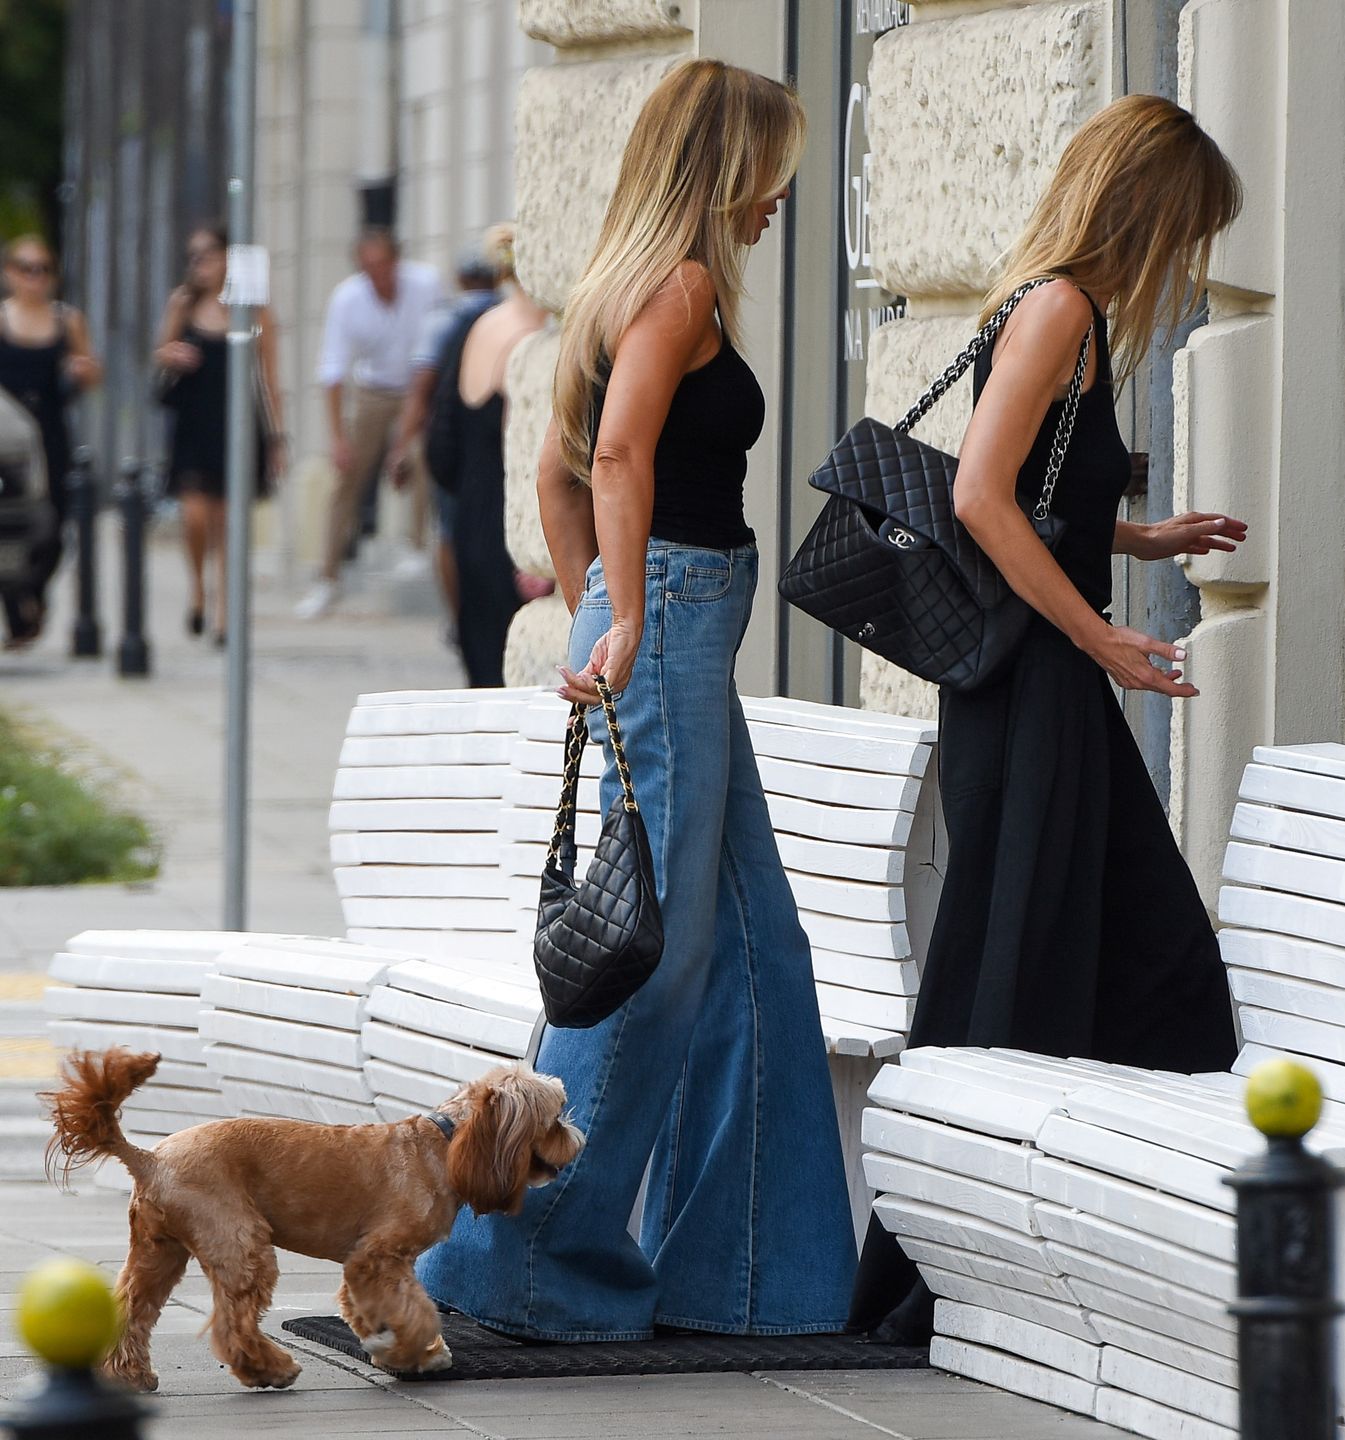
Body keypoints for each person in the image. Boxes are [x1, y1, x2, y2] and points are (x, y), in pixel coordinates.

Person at [416, 59, 856, 1341]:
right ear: (723, 162)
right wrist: (628, 618)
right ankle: (520, 1263)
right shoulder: (676, 288)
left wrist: (597, 603)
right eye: (771, 164)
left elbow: (560, 473)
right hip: (669, 624)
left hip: (664, 623)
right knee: (645, 967)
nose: (780, 194)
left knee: (759, 955)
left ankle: (750, 1280)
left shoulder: (626, 288)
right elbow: (607, 458)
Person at [848, 93, 1247, 1342]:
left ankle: (1029, 1250)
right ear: (1148, 206)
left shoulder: (1054, 307)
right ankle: (950, 1270)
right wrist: (1103, 635)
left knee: (1065, 956)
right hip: (1032, 688)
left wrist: (1137, 534)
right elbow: (978, 498)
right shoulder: (1062, 307)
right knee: (1038, 964)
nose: (1189, 261)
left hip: (1030, 689)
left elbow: (1027, 490)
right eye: (1188, 229)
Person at [296, 227, 441, 620]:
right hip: (373, 388)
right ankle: (328, 576)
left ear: (397, 261)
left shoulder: (425, 285)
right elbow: (332, 370)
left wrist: (404, 440)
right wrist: (338, 438)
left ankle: (416, 545)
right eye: (369, 267)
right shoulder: (348, 299)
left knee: (424, 457)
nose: (378, 274)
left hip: (418, 384)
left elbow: (433, 351)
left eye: (384, 265)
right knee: (347, 478)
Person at [153, 223, 284, 645]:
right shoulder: (183, 304)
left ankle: (226, 613)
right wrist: (170, 354)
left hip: (237, 423)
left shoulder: (253, 310)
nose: (200, 264)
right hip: (194, 421)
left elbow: (269, 379)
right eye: (193, 256)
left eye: (207, 254)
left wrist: (278, 437)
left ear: (228, 257)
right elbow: (160, 354)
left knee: (229, 522)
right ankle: (197, 589)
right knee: (194, 516)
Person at [388, 246, 500, 639]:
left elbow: (421, 391)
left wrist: (402, 447)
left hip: (453, 442)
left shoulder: (444, 320)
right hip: (496, 443)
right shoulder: (507, 314)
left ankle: (459, 618)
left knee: (449, 532)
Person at [0, 234, 102, 646]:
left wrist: (82, 370)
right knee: (7, 525)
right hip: (6, 441)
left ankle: (35, 595)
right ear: (10, 273)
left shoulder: (67, 319)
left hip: (51, 434)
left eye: (43, 269)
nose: (35, 277)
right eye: (27, 268)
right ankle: (18, 615)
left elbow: (93, 374)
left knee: (55, 524)